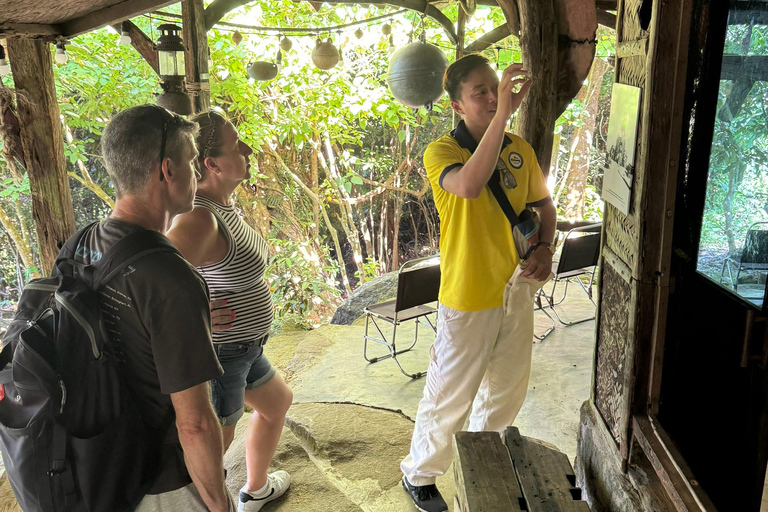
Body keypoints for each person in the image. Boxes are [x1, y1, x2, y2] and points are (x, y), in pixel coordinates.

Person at [400, 55, 557, 512]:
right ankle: (420, 473)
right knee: (451, 393)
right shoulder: (441, 152)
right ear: (456, 105)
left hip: (516, 287)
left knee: (507, 388)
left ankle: (483, 459)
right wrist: (504, 114)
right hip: (468, 293)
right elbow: (469, 186)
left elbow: (543, 208)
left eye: (496, 88)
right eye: (480, 93)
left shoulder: (519, 149)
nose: (492, 97)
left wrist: (545, 248)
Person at [78, 105, 234, 511]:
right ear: (168, 170)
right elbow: (195, 425)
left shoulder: (84, 242)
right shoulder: (169, 277)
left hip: (100, 464)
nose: (198, 174)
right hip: (160, 482)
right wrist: (219, 503)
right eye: (192, 162)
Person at [166, 111, 293, 512]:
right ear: (212, 164)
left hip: (246, 349)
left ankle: (255, 491)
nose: (248, 149)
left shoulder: (224, 207)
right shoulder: (199, 218)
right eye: (236, 144)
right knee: (207, 462)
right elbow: (151, 283)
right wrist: (199, 311)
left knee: (276, 404)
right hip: (221, 357)